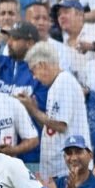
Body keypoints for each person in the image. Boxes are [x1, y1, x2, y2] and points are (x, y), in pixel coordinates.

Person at [20, 41, 90, 179]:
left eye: (33, 71)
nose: (34, 77)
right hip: (60, 170)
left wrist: (33, 110)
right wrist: (34, 109)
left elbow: (60, 125)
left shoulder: (64, 82)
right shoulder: (57, 83)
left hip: (68, 170)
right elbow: (51, 129)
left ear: (42, 65)